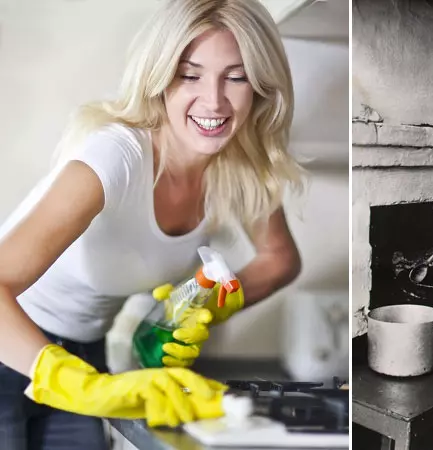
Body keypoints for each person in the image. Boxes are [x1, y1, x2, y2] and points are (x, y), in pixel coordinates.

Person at [0, 0, 304, 448]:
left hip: (84, 352)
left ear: (260, 86)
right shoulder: (116, 157)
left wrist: (201, 304)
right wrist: (81, 386)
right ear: (160, 77)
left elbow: (280, 259)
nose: (215, 100)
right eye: (190, 73)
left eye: (236, 76)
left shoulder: (239, 167)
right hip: (12, 344)